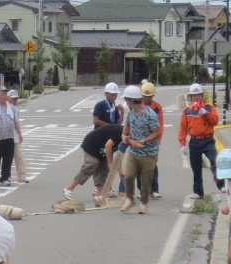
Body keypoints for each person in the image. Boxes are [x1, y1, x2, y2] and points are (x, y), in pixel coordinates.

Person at [64, 118, 121, 206]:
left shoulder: (128, 138)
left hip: (102, 149)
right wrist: (110, 162)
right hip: (91, 144)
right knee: (92, 164)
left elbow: (120, 154)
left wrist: (120, 170)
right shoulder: (120, 132)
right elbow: (108, 146)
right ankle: (69, 189)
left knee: (103, 169)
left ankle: (99, 196)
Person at [177, 83, 220, 199]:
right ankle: (198, 192)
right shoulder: (187, 111)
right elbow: (183, 128)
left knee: (215, 160)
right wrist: (182, 144)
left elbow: (215, 122)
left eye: (198, 95)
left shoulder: (209, 108)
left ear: (202, 95)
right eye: (194, 95)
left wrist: (206, 114)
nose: (196, 97)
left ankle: (221, 185)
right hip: (195, 141)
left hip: (208, 139)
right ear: (191, 97)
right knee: (196, 168)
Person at [120, 85, 159, 213]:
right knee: (129, 176)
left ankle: (144, 203)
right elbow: (127, 124)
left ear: (131, 100)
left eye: (126, 100)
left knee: (146, 181)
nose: (126, 102)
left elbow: (157, 132)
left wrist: (143, 141)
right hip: (134, 151)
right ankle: (130, 199)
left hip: (149, 153)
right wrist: (124, 135)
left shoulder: (150, 114)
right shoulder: (131, 112)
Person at [139, 81, 165, 197]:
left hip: (153, 140)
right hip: (140, 139)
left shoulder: (157, 108)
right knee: (139, 164)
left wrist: (158, 141)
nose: (146, 99)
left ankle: (154, 190)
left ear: (153, 96)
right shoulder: (137, 106)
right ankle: (141, 189)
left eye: (149, 96)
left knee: (153, 164)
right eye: (145, 96)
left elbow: (160, 125)